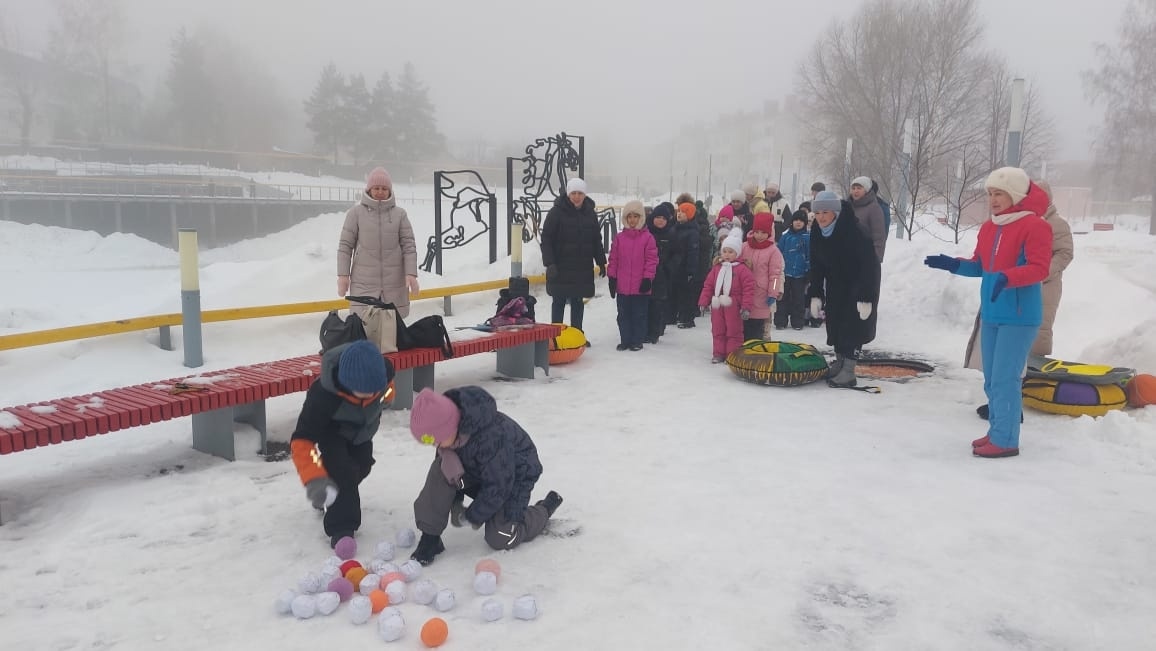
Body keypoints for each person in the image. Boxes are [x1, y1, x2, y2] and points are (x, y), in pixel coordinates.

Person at [924, 167, 1052, 458]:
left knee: (1006, 377)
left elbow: (1039, 267)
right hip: (992, 314)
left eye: (1000, 194)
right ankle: (997, 430)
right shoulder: (989, 227)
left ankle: (1006, 440)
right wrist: (953, 264)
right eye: (990, 194)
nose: (993, 200)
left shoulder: (1035, 226)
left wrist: (1009, 278)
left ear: (1016, 196)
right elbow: (981, 266)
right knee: (992, 378)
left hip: (1019, 316)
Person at [408, 387, 563, 565]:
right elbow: (444, 476)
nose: (434, 444)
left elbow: (499, 485)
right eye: (428, 441)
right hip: (480, 473)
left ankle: (543, 510)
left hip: (514, 480)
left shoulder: (491, 437)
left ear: (451, 427)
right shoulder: (450, 436)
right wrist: (456, 500)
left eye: (435, 440)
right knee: (440, 468)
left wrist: (472, 515)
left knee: (501, 537)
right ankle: (430, 538)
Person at [290, 340, 395, 548]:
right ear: (346, 383)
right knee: (343, 473)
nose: (370, 395)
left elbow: (387, 394)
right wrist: (313, 478)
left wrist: (385, 399)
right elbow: (302, 441)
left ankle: (328, 488)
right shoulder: (322, 397)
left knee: (361, 466)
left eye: (374, 390)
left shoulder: (382, 380)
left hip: (362, 432)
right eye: (362, 391)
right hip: (332, 432)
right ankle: (342, 528)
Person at [807, 191, 881, 388]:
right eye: (818, 213)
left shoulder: (855, 231)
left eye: (825, 212)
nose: (821, 217)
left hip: (859, 283)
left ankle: (849, 370)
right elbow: (816, 264)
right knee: (835, 321)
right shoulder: (817, 231)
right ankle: (839, 362)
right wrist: (815, 292)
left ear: (836, 213)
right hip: (836, 282)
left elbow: (869, 266)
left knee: (852, 325)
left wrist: (866, 297)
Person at [338, 166, 419, 317]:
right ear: (369, 190)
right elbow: (345, 246)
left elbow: (409, 246)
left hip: (394, 281)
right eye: (376, 188)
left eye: (384, 188)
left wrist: (411, 273)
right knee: (364, 325)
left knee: (391, 329)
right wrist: (343, 275)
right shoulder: (355, 214)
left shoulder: (400, 215)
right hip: (364, 282)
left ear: (390, 190)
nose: (380, 192)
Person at [541, 177, 607, 336]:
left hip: (581, 267)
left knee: (578, 302)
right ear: (568, 194)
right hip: (560, 267)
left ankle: (577, 335)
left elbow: (596, 239)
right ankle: (555, 336)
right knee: (559, 301)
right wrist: (549, 263)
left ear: (584, 195)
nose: (577, 197)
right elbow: (547, 239)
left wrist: (601, 261)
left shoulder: (590, 213)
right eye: (574, 193)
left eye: (580, 193)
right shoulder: (556, 212)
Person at [607, 200, 658, 351]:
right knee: (623, 315)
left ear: (641, 218)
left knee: (639, 314)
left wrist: (647, 278)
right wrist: (612, 277)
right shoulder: (619, 238)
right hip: (623, 287)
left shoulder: (648, 238)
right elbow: (614, 259)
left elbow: (651, 260)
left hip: (640, 287)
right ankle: (625, 339)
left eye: (636, 216)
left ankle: (637, 340)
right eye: (629, 216)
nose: (632, 220)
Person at [698, 229, 755, 363]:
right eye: (725, 251)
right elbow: (708, 286)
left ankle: (732, 355)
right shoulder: (717, 268)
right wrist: (703, 301)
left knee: (734, 331)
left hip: (734, 305)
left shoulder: (742, 269)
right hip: (717, 304)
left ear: (737, 253)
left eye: (731, 252)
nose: (727, 255)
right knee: (718, 330)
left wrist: (746, 307)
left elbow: (748, 289)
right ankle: (718, 353)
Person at [740, 213, 785, 341]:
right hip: (744, 294)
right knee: (743, 325)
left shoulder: (773, 251)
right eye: (757, 232)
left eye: (763, 232)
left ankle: (756, 351)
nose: (759, 235)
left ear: (769, 233)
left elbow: (775, 276)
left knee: (757, 328)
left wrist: (773, 293)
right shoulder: (744, 247)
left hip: (762, 295)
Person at [646, 203, 684, 343]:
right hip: (647, 274)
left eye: (663, 218)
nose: (660, 220)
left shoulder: (671, 233)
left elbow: (678, 253)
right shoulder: (646, 232)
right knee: (647, 304)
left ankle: (655, 332)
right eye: (657, 217)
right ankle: (645, 330)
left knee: (658, 304)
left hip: (663, 274)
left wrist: (669, 267)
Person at [775, 211, 811, 330]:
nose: (798, 222)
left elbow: (809, 255)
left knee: (798, 299)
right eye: (796, 220)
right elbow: (778, 253)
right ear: (792, 222)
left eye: (801, 220)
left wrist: (808, 270)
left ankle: (797, 322)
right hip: (785, 273)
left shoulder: (807, 237)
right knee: (782, 297)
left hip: (800, 274)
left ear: (805, 223)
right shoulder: (786, 236)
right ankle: (780, 321)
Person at [673, 202, 701, 329]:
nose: (679, 214)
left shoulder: (692, 232)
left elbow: (693, 252)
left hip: (686, 268)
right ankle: (678, 315)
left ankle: (688, 318)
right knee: (677, 292)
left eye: (683, 212)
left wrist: (691, 270)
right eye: (678, 211)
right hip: (676, 266)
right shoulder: (676, 228)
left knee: (687, 294)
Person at [849, 176, 887, 263]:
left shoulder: (874, 208)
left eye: (859, 188)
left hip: (867, 259)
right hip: (848, 258)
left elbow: (879, 236)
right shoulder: (848, 206)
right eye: (853, 188)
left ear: (866, 190)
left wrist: (875, 260)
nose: (856, 191)